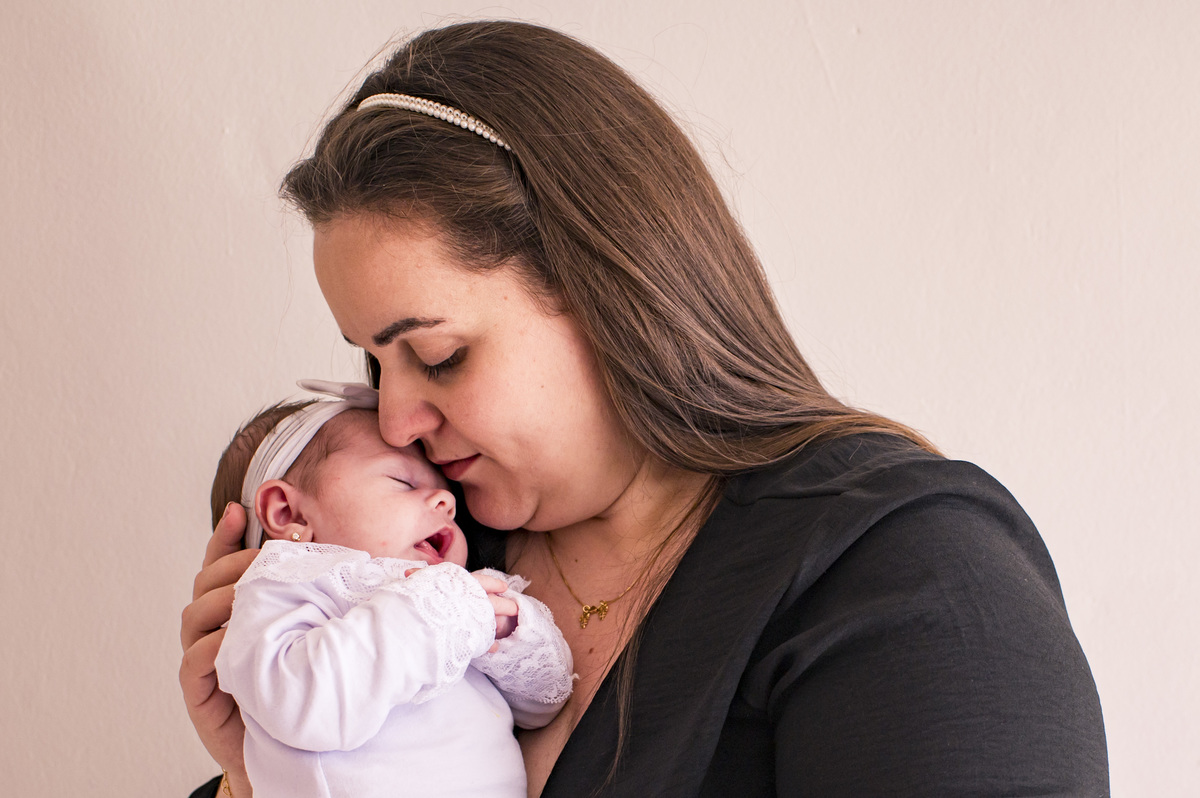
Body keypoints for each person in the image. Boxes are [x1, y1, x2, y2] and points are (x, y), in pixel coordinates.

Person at [181, 20, 1109, 797]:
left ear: (608, 287)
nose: (395, 422)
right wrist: (258, 769)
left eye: (438, 355)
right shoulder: (425, 554)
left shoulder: (904, 574)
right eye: (375, 366)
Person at [209, 382, 573, 797]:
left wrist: (509, 635)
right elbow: (305, 704)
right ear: (288, 512)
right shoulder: (283, 594)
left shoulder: (456, 597)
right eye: (403, 482)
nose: (445, 502)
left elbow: (544, 707)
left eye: (447, 492)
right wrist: (426, 614)